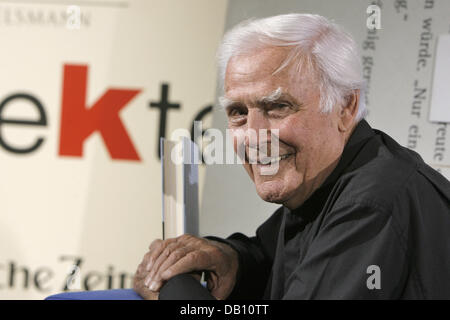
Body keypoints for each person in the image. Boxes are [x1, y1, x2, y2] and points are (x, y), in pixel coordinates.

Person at [133, 13, 450, 300]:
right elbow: (277, 258)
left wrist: (172, 289)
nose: (254, 135)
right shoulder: (330, 179)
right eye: (238, 113)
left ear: (345, 107)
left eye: (277, 107)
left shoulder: (371, 204)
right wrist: (230, 259)